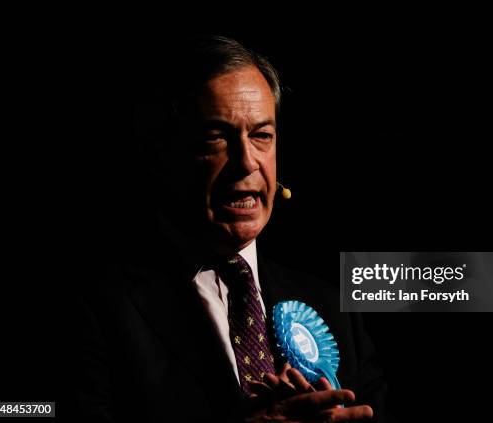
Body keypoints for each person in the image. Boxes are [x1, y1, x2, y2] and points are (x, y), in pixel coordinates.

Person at [68, 35, 388, 422]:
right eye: (216, 137)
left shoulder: (332, 307)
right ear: (164, 151)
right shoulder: (96, 306)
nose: (246, 162)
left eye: (261, 136)